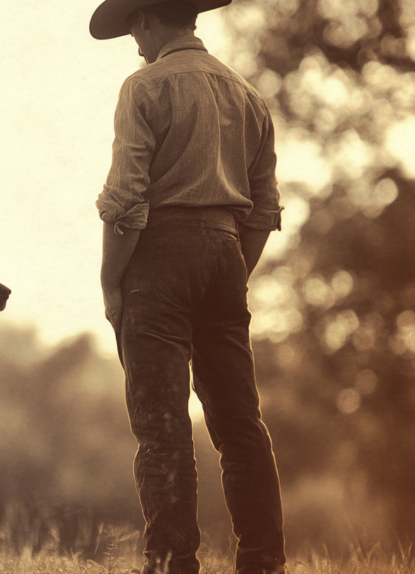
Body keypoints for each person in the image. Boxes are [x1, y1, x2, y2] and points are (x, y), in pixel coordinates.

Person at [89, 1, 286, 573]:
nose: (134, 42)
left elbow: (126, 201)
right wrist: (230, 271)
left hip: (159, 259)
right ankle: (264, 560)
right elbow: (263, 207)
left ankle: (173, 563)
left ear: (148, 20)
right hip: (226, 254)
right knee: (240, 421)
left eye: (132, 29)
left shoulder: (143, 87)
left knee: (162, 424)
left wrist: (111, 284)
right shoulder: (247, 94)